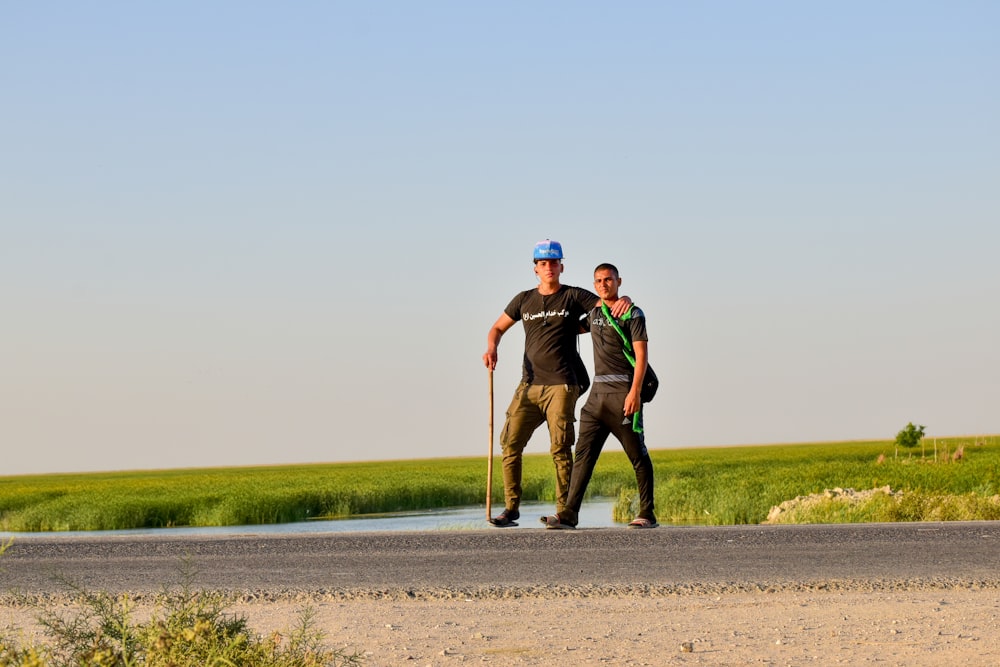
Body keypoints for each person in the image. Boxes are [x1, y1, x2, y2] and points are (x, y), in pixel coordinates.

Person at [483, 241, 631, 527]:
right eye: (543, 263)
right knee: (510, 443)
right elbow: (497, 328)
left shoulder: (573, 296)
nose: (549, 268)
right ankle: (510, 509)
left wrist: (623, 298)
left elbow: (606, 306)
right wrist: (491, 347)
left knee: (560, 448)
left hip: (562, 384)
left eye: (554, 263)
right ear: (535, 268)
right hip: (528, 385)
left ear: (561, 266)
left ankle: (565, 512)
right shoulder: (523, 299)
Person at [541, 262, 657, 529]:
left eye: (608, 280)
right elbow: (569, 325)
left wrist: (635, 393)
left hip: (622, 395)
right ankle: (569, 514)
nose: (604, 284)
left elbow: (641, 356)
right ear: (594, 286)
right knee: (583, 456)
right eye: (599, 281)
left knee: (637, 455)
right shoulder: (593, 315)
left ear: (618, 281)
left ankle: (647, 514)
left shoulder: (632, 314)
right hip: (596, 398)